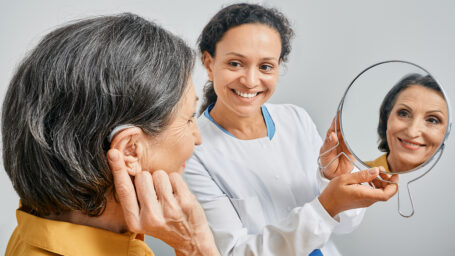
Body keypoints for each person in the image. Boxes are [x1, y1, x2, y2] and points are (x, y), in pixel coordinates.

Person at [183, 3, 398, 256]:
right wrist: (326, 206)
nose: (251, 81)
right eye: (235, 63)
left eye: (265, 67)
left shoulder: (296, 119)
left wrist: (332, 179)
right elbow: (232, 252)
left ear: (278, 66)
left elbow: (342, 226)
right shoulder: (192, 150)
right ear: (209, 64)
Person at [2, 13, 219, 256]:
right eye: (189, 118)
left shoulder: (37, 227)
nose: (197, 137)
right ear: (130, 150)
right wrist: (196, 246)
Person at [366, 74, 448, 172]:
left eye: (432, 120)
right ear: (387, 117)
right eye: (403, 114)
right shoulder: (349, 174)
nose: (412, 132)